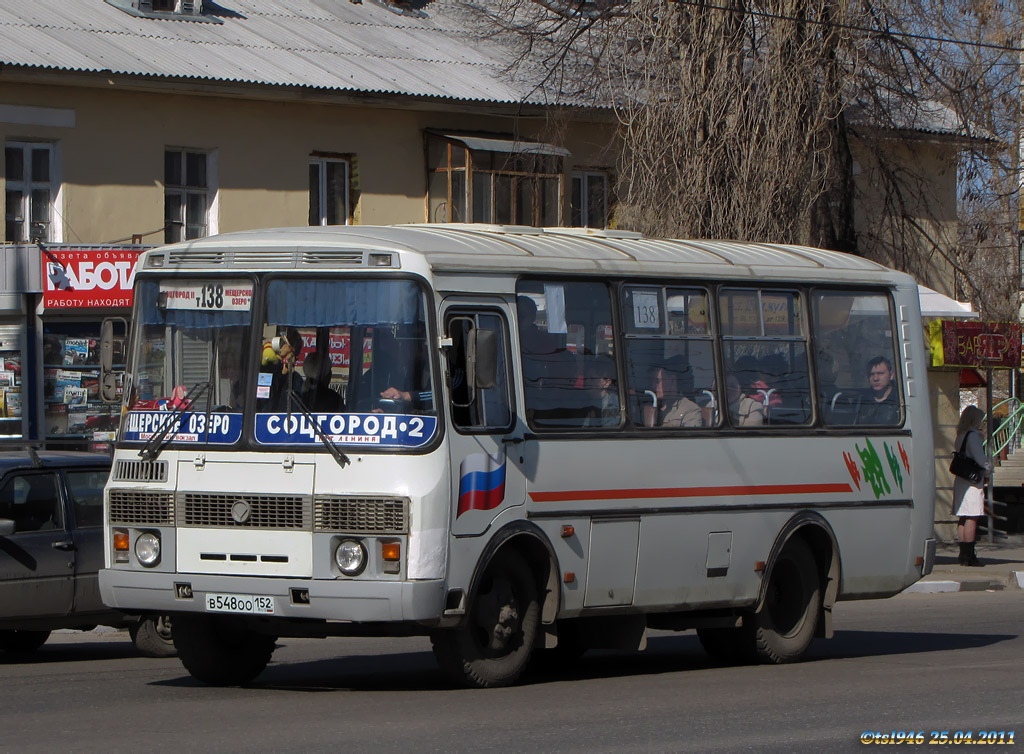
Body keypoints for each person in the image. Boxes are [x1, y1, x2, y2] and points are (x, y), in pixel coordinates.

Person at [951, 405, 991, 567]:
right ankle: (970, 555)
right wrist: (988, 472)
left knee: (962, 516)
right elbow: (982, 460)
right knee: (972, 516)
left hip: (961, 478)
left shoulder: (960, 436)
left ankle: (963, 553)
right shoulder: (973, 436)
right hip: (972, 481)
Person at [645, 360, 702, 428]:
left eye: (657, 381)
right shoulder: (649, 407)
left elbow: (691, 437)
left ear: (672, 380)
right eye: (652, 382)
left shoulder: (690, 409)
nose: (653, 386)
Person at [859, 355, 899, 424]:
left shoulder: (900, 399)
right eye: (872, 374)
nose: (875, 378)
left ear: (891, 375)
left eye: (880, 373)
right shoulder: (861, 400)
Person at [584, 359, 620, 427]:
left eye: (592, 378)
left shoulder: (617, 405)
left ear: (607, 383)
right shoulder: (579, 402)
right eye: (586, 378)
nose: (587, 381)